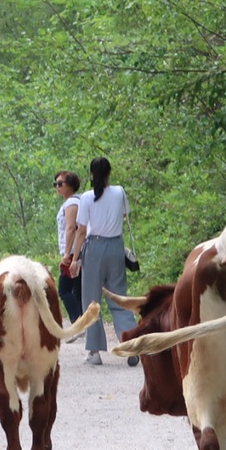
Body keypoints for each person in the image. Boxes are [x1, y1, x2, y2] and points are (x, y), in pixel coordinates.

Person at [74, 156, 139, 365]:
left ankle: (94, 352)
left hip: (94, 248)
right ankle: (130, 345)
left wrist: (74, 258)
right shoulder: (120, 192)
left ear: (91, 174)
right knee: (119, 298)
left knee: (91, 300)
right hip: (116, 247)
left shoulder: (85, 197)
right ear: (109, 173)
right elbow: (123, 217)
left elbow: (82, 230)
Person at [53, 171, 85, 322]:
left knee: (64, 290)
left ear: (71, 185)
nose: (57, 187)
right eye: (55, 184)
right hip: (79, 251)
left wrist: (66, 254)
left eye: (60, 184)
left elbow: (71, 228)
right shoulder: (79, 200)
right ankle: (84, 323)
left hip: (72, 253)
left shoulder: (72, 203)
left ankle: (78, 321)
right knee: (77, 290)